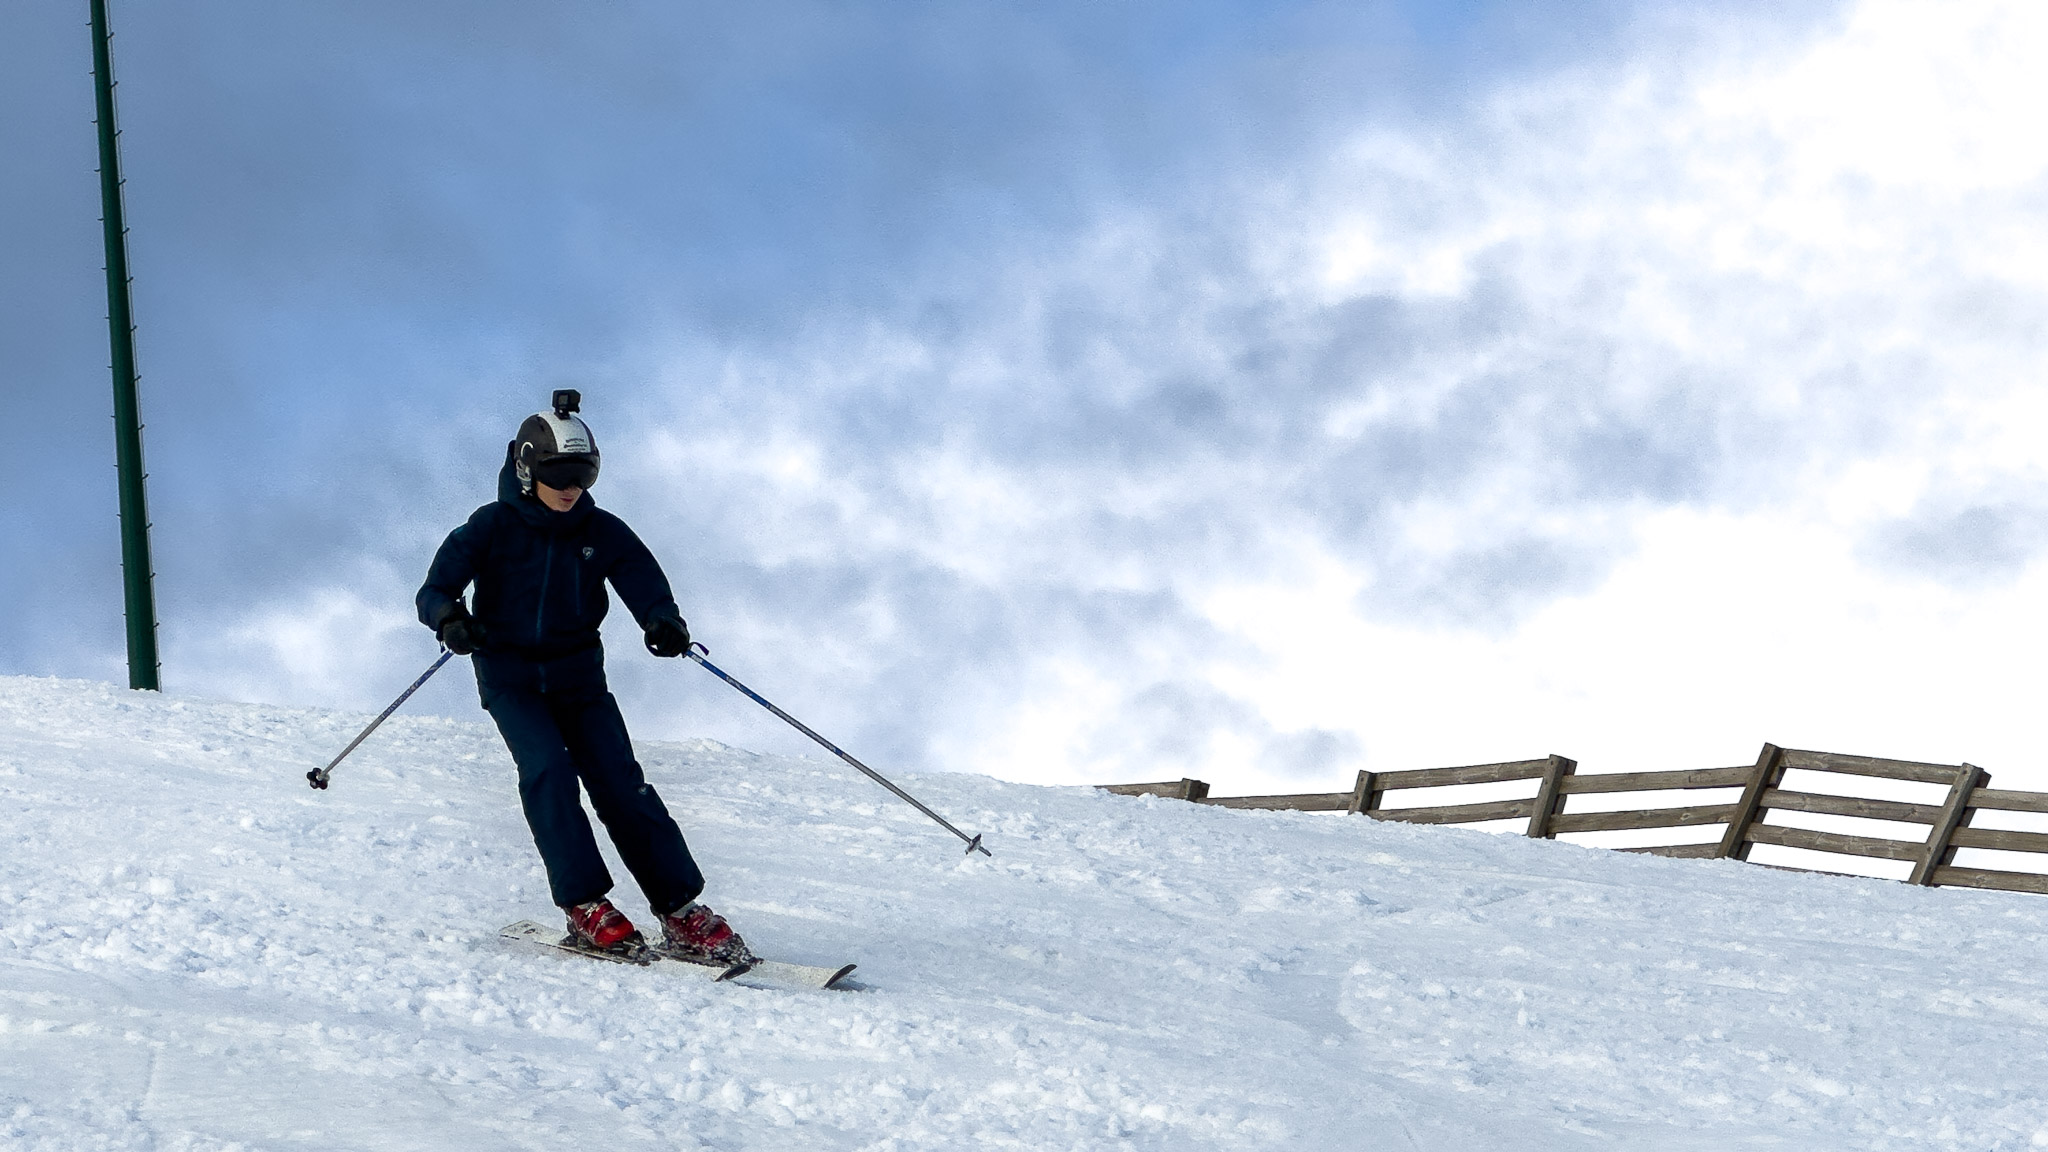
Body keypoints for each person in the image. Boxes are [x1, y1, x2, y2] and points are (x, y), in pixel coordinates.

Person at [415, 390, 750, 966]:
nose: (571, 488)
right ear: (526, 469)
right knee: (547, 770)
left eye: (582, 473)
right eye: (557, 474)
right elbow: (435, 589)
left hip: (578, 679)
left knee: (622, 783)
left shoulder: (601, 529)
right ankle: (586, 905)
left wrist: (663, 621)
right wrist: (451, 619)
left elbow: (643, 579)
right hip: (510, 676)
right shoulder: (491, 527)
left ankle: (678, 910)